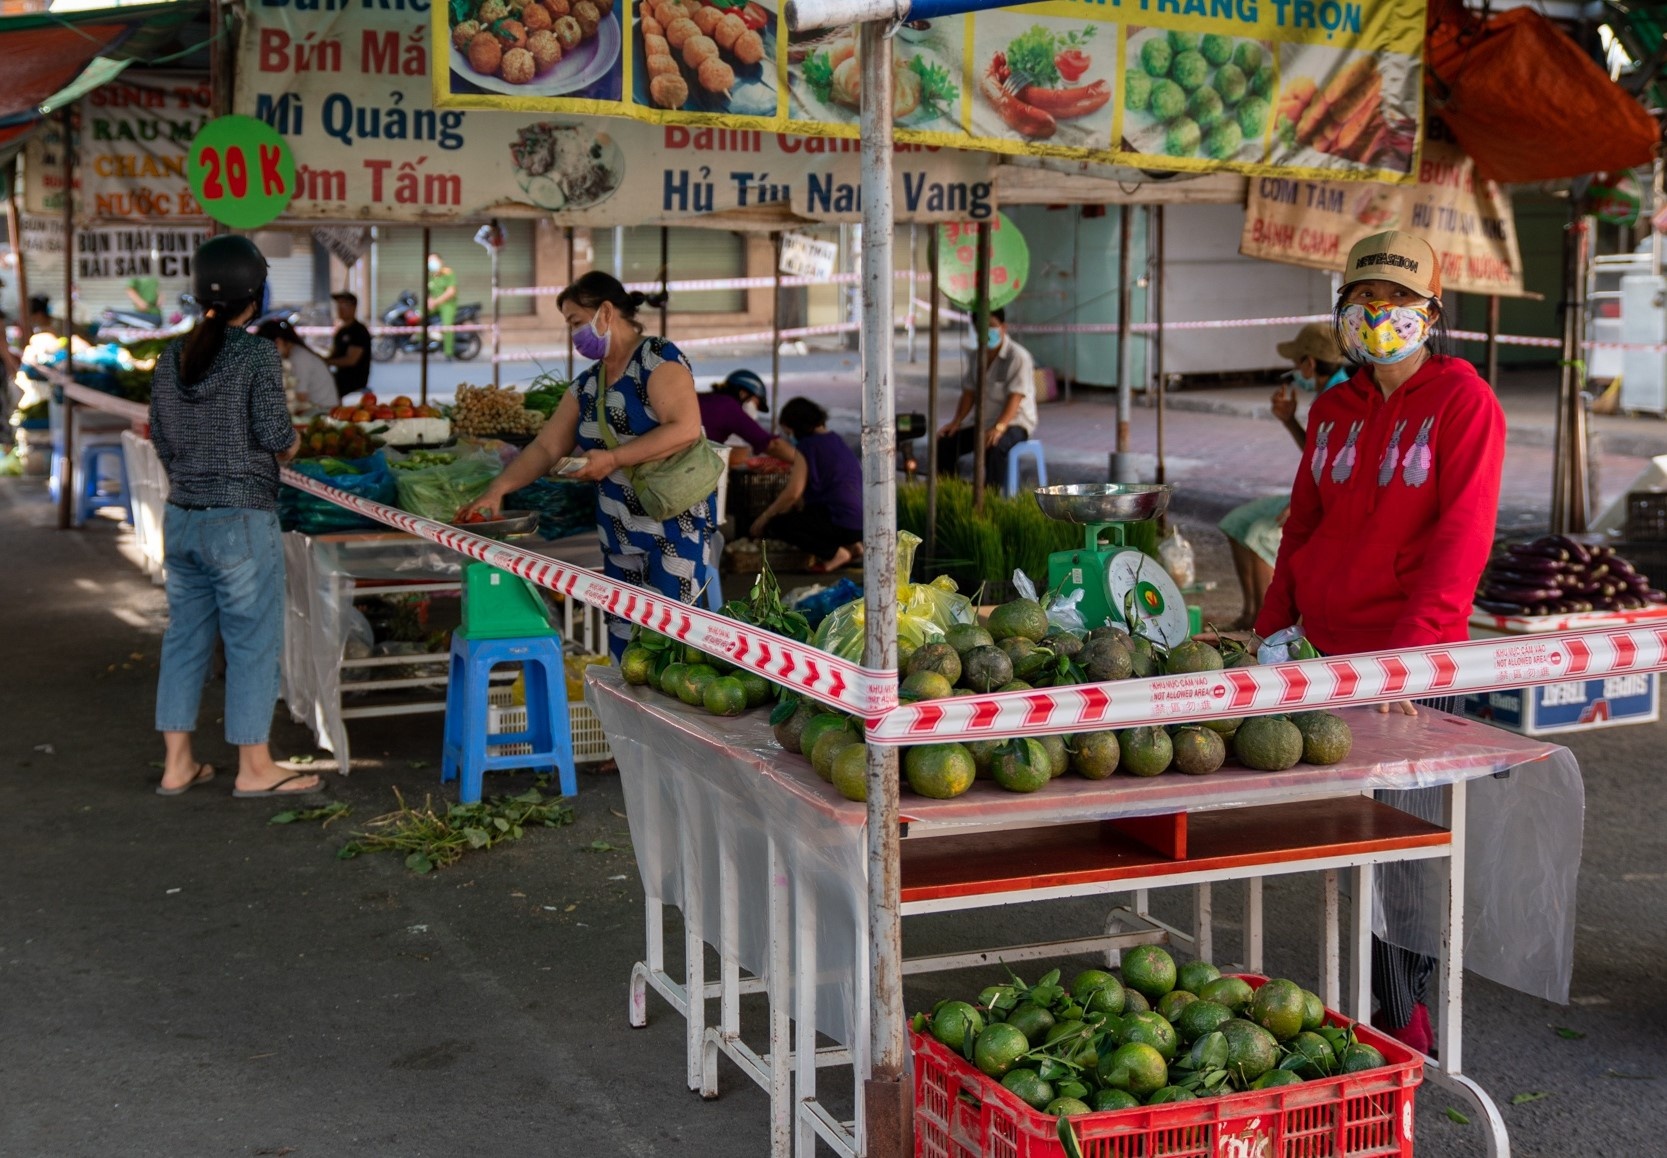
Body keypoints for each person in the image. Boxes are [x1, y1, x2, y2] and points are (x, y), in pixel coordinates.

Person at [1253, 230, 1507, 1056]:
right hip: (1324, 656)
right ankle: (1357, 999)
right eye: (1364, 298)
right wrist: (1269, 628)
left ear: (1430, 313)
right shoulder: (1333, 406)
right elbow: (1303, 525)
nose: (1378, 314)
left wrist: (1409, 656)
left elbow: (1459, 540)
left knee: (1403, 852)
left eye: (1396, 300)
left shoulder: (1464, 404)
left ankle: (1403, 1017)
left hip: (1412, 664)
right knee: (1341, 838)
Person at [148, 235, 321, 799]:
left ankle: (177, 764)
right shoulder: (253, 353)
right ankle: (254, 767)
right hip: (240, 521)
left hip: (182, 516)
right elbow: (275, 436)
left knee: (184, 640)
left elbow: (164, 440)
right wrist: (291, 445)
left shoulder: (171, 356)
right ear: (256, 294)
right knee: (251, 641)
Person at [463, 272, 711, 658]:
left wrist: (611, 458)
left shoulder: (656, 358)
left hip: (673, 531)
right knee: (627, 652)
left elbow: (685, 428)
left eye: (576, 322)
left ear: (606, 312)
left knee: (676, 649)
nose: (575, 334)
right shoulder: (587, 386)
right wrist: (498, 489)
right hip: (618, 537)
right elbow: (545, 447)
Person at [1218, 323, 1349, 629]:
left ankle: (1267, 626)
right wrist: (1289, 420)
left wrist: (1304, 503)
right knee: (1236, 521)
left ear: (1310, 364)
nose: (1293, 371)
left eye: (1296, 363)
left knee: (1259, 535)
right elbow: (1318, 455)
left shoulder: (1340, 399)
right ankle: (1250, 615)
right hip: (1311, 492)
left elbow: (1341, 467)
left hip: (1325, 500)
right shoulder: (1326, 395)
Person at [748, 398, 863, 572]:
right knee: (808, 514)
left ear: (798, 426)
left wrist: (765, 517)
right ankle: (854, 547)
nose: (790, 437)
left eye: (789, 432)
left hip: (840, 523)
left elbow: (793, 492)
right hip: (859, 523)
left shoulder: (808, 446)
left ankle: (835, 554)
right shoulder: (835, 440)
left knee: (779, 524)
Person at [936, 307, 1038, 486]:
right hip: (983, 422)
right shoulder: (977, 357)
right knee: (946, 443)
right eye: (981, 327)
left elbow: (1016, 397)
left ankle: (992, 500)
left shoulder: (1018, 357)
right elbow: (969, 393)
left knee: (995, 447)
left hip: (1015, 423)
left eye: (991, 326)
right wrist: (956, 422)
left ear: (1003, 327)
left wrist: (999, 427)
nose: (987, 332)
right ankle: (949, 492)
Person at [698, 368, 795, 466]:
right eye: (756, 404)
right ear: (743, 393)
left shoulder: (708, 400)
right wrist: (803, 461)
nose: (755, 410)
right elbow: (773, 445)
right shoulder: (729, 407)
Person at [256, 319, 335, 416]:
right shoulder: (295, 354)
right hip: (320, 409)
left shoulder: (299, 358)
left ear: (278, 342)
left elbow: (301, 397)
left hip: (324, 412)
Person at [326, 291, 372, 401]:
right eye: (339, 305)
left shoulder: (359, 331)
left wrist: (327, 361)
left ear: (354, 307)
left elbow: (351, 360)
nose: (340, 309)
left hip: (353, 381)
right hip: (339, 377)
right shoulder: (341, 331)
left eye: (345, 305)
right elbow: (334, 354)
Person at [426, 254, 458, 359]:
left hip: (447, 304)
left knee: (447, 326)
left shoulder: (448, 273)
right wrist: (430, 301)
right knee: (417, 313)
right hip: (434, 304)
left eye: (433, 260)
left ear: (441, 261)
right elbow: (430, 292)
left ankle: (448, 352)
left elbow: (451, 292)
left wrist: (436, 302)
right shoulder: (431, 276)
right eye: (429, 261)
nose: (431, 263)